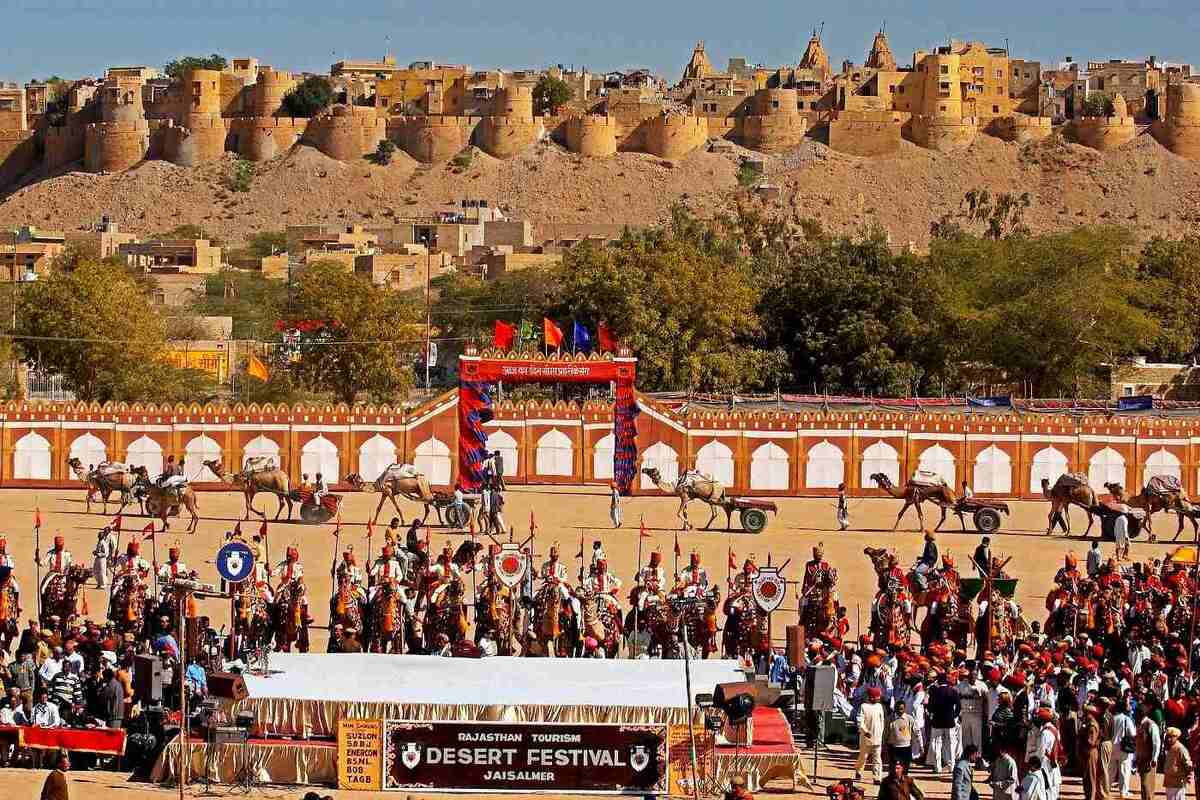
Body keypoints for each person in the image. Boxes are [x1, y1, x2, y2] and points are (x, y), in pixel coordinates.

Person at [928, 673, 962, 774]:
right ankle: (952, 766)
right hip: (949, 721)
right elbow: (959, 706)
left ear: (938, 681)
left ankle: (937, 766)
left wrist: (933, 714)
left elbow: (929, 707)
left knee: (936, 744)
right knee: (951, 744)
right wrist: (954, 716)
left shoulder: (934, 692)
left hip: (937, 722)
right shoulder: (952, 691)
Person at [857, 685, 885, 783]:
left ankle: (877, 777)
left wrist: (881, 735)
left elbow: (882, 722)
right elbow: (860, 721)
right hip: (866, 738)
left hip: (877, 737)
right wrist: (865, 731)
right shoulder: (864, 706)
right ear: (871, 697)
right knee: (863, 757)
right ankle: (859, 771)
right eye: (877, 696)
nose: (879, 698)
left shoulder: (879, 706)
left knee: (877, 758)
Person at [1110, 698, 1135, 799]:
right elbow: (1132, 733)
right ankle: (1123, 792)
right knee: (1124, 770)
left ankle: (1106, 789)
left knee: (1111, 770)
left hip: (1111, 747)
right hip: (1123, 747)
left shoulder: (1111, 718)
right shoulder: (1126, 719)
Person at [1136, 703, 1161, 800]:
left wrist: (1154, 758)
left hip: (1148, 760)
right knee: (1143, 785)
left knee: (1147, 785)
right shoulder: (1140, 724)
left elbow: (1156, 743)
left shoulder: (1151, 725)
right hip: (1141, 759)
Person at [1165, 727, 1193, 800]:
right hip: (1169, 782)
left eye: (1171, 737)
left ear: (1176, 737)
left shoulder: (1181, 748)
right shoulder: (1169, 748)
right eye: (1168, 736)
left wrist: (1189, 775)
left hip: (1178, 783)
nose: (1169, 739)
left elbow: (1188, 763)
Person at [887, 699, 915, 768]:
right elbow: (885, 732)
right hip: (893, 746)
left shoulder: (909, 718)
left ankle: (903, 777)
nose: (900, 711)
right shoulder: (890, 719)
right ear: (895, 709)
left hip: (906, 746)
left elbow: (917, 732)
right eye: (897, 709)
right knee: (893, 766)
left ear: (905, 709)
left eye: (901, 709)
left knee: (905, 766)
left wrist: (921, 746)